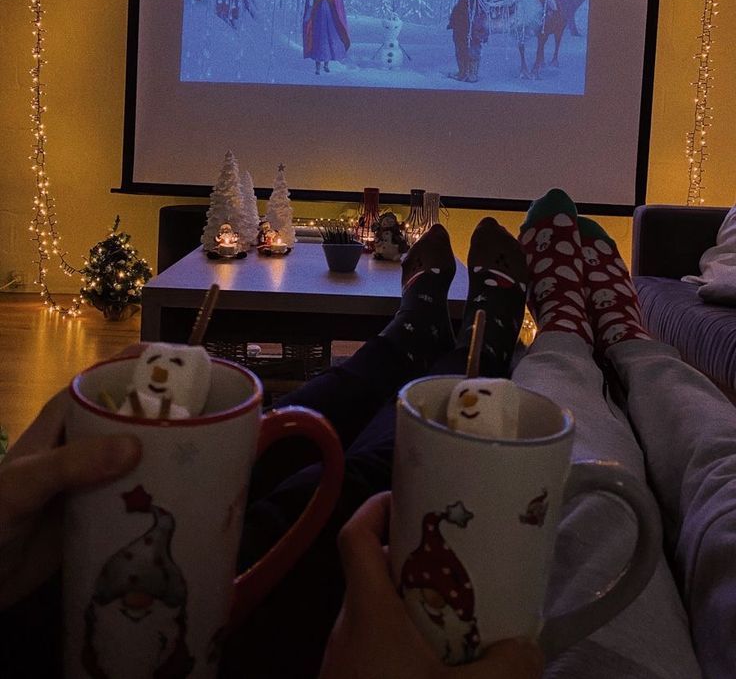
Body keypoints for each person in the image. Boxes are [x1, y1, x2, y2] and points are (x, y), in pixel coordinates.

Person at [3, 192, 736, 678]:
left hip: (45, 604)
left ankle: (441, 339)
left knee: (268, 453)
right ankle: (585, 339)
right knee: (357, 474)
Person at [302, 0, 351, 76]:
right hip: (319, 12)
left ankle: (326, 64)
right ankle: (318, 66)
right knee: (319, 36)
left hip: (330, 12)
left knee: (330, 35)